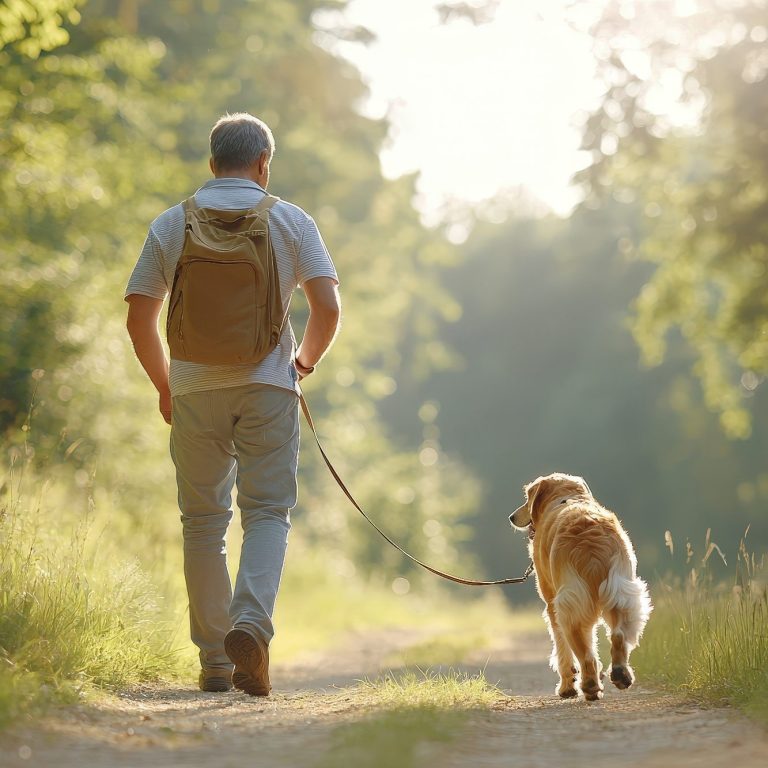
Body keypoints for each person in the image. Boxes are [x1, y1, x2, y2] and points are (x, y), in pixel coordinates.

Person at [125, 112, 341, 695]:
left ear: (212, 162)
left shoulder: (171, 223)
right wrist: (301, 365)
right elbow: (327, 309)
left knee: (202, 523)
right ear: (264, 163)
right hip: (269, 386)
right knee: (266, 513)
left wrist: (165, 385)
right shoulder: (291, 220)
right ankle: (250, 626)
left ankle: (216, 660)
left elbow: (140, 316)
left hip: (194, 391)